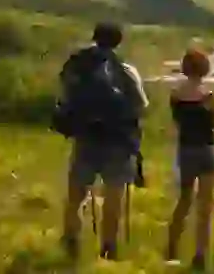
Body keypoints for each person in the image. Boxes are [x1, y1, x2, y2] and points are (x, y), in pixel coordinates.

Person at [54, 22, 149, 261]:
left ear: (94, 37)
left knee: (75, 194)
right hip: (117, 140)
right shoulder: (125, 69)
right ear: (119, 41)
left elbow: (66, 96)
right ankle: (108, 247)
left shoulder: (78, 65)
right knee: (113, 195)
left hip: (86, 138)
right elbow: (141, 105)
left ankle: (71, 241)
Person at [166, 48, 214, 270]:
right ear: (205, 69)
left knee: (184, 200)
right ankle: (200, 255)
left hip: (186, 149)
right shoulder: (209, 96)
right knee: (205, 205)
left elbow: (178, 121)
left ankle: (171, 248)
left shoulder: (175, 95)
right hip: (207, 149)